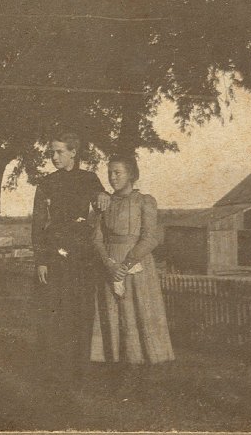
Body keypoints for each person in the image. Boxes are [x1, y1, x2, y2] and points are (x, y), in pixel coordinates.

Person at [31, 132, 110, 380]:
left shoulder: (89, 179)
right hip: (54, 252)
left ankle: (80, 369)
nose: (54, 157)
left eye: (60, 152)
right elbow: (38, 223)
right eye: (52, 152)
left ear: (74, 152)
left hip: (82, 254)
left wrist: (103, 195)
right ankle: (55, 369)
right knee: (55, 311)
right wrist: (41, 260)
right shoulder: (46, 183)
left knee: (82, 310)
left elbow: (102, 201)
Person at [90, 154, 175, 366]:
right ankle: (117, 365)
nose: (112, 177)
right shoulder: (104, 202)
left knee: (137, 313)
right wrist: (110, 266)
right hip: (110, 265)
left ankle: (142, 368)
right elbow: (97, 238)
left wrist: (126, 265)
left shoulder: (144, 201)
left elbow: (151, 238)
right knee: (114, 314)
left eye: (117, 172)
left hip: (137, 265)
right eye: (110, 173)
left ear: (131, 175)